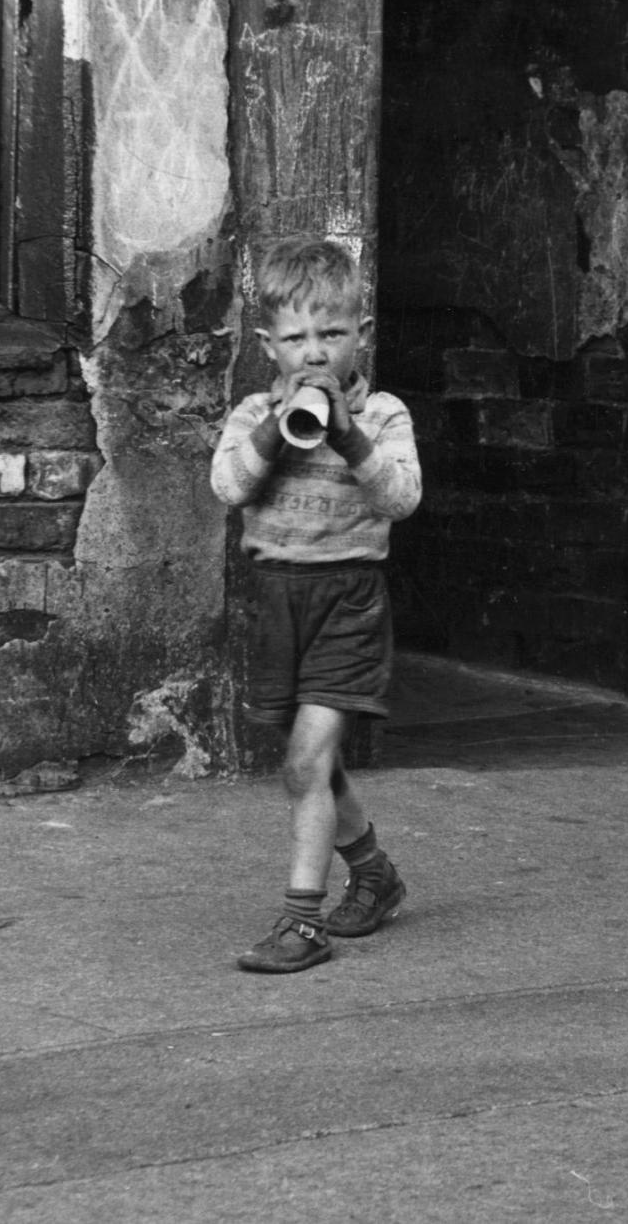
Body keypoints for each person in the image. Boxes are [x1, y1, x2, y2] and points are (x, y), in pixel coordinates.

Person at [210, 236, 424, 971]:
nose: (315, 354)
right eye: (297, 338)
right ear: (269, 345)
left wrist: (348, 433)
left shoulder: (386, 413)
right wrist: (280, 427)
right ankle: (373, 873)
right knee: (314, 766)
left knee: (305, 760)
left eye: (332, 334)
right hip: (276, 599)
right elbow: (230, 487)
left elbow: (401, 498)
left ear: (359, 335)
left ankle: (302, 925)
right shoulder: (249, 413)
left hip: (349, 602)